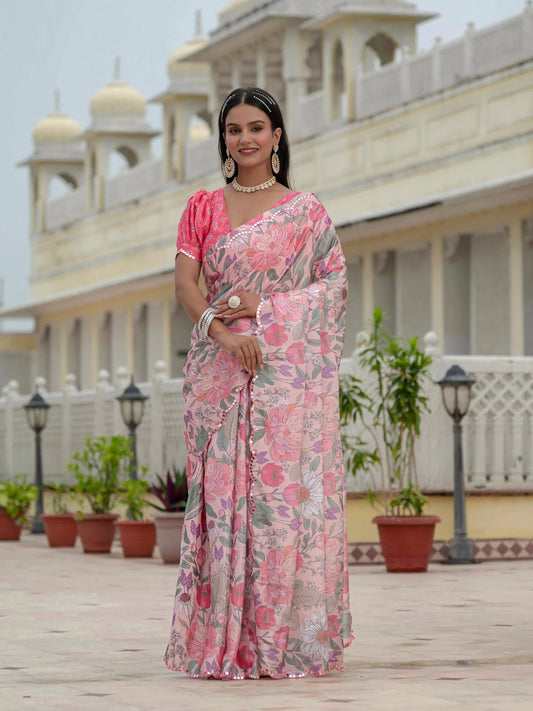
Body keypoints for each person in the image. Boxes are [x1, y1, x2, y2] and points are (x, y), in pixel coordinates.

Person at [164, 87, 353, 680]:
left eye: (257, 128)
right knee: (221, 504)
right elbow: (186, 287)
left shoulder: (305, 211)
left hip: (282, 378)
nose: (244, 138)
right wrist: (222, 333)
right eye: (233, 129)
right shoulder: (201, 207)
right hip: (217, 374)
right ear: (224, 139)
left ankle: (277, 639)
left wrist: (266, 304)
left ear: (276, 136)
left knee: (277, 506)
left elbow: (332, 287)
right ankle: (221, 640)